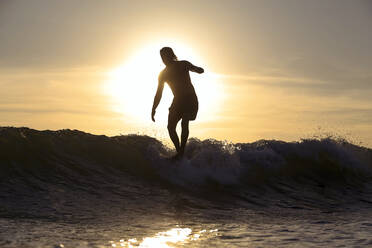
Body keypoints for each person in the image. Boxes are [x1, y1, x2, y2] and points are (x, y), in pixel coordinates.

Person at [151, 47, 204, 159]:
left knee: (185, 121)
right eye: (162, 57)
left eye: (165, 56)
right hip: (178, 100)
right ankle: (179, 151)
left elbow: (194, 68)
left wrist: (198, 69)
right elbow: (159, 93)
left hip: (190, 99)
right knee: (170, 127)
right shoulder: (163, 74)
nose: (163, 59)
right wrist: (153, 108)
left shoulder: (183, 64)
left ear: (171, 55)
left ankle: (181, 153)